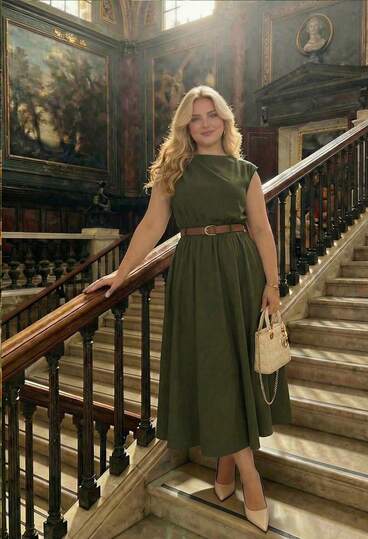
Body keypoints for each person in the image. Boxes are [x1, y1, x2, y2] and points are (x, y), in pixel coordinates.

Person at [83, 85, 292, 532]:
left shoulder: (246, 171)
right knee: (216, 369)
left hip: (241, 272)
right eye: (195, 117)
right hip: (196, 275)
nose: (205, 123)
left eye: (211, 114)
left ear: (224, 120)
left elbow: (261, 229)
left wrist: (272, 284)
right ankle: (249, 475)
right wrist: (119, 274)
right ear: (185, 125)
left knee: (238, 367)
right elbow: (151, 226)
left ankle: (228, 465)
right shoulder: (173, 171)